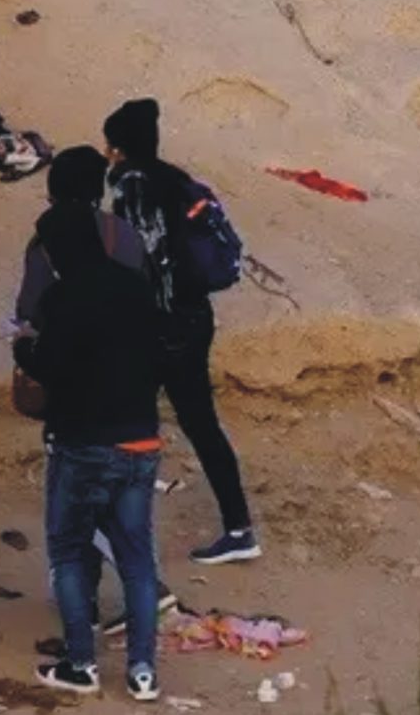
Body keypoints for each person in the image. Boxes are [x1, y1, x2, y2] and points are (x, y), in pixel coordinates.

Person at [18, 205, 167, 702]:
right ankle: (143, 672)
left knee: (68, 551)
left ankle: (81, 663)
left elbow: (50, 367)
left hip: (84, 442)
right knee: (138, 561)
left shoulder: (63, 296)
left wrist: (23, 350)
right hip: (142, 440)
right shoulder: (135, 287)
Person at [104, 98, 257, 566]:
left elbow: (137, 264)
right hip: (195, 318)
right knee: (200, 423)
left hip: (159, 324)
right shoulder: (178, 181)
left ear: (119, 148)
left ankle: (115, 533)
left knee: (123, 423)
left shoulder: (133, 189)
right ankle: (239, 527)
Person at [15, 146, 148, 332]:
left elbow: (29, 309)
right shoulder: (124, 230)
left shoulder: (45, 240)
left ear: (53, 195)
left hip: (74, 346)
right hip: (129, 340)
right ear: (98, 192)